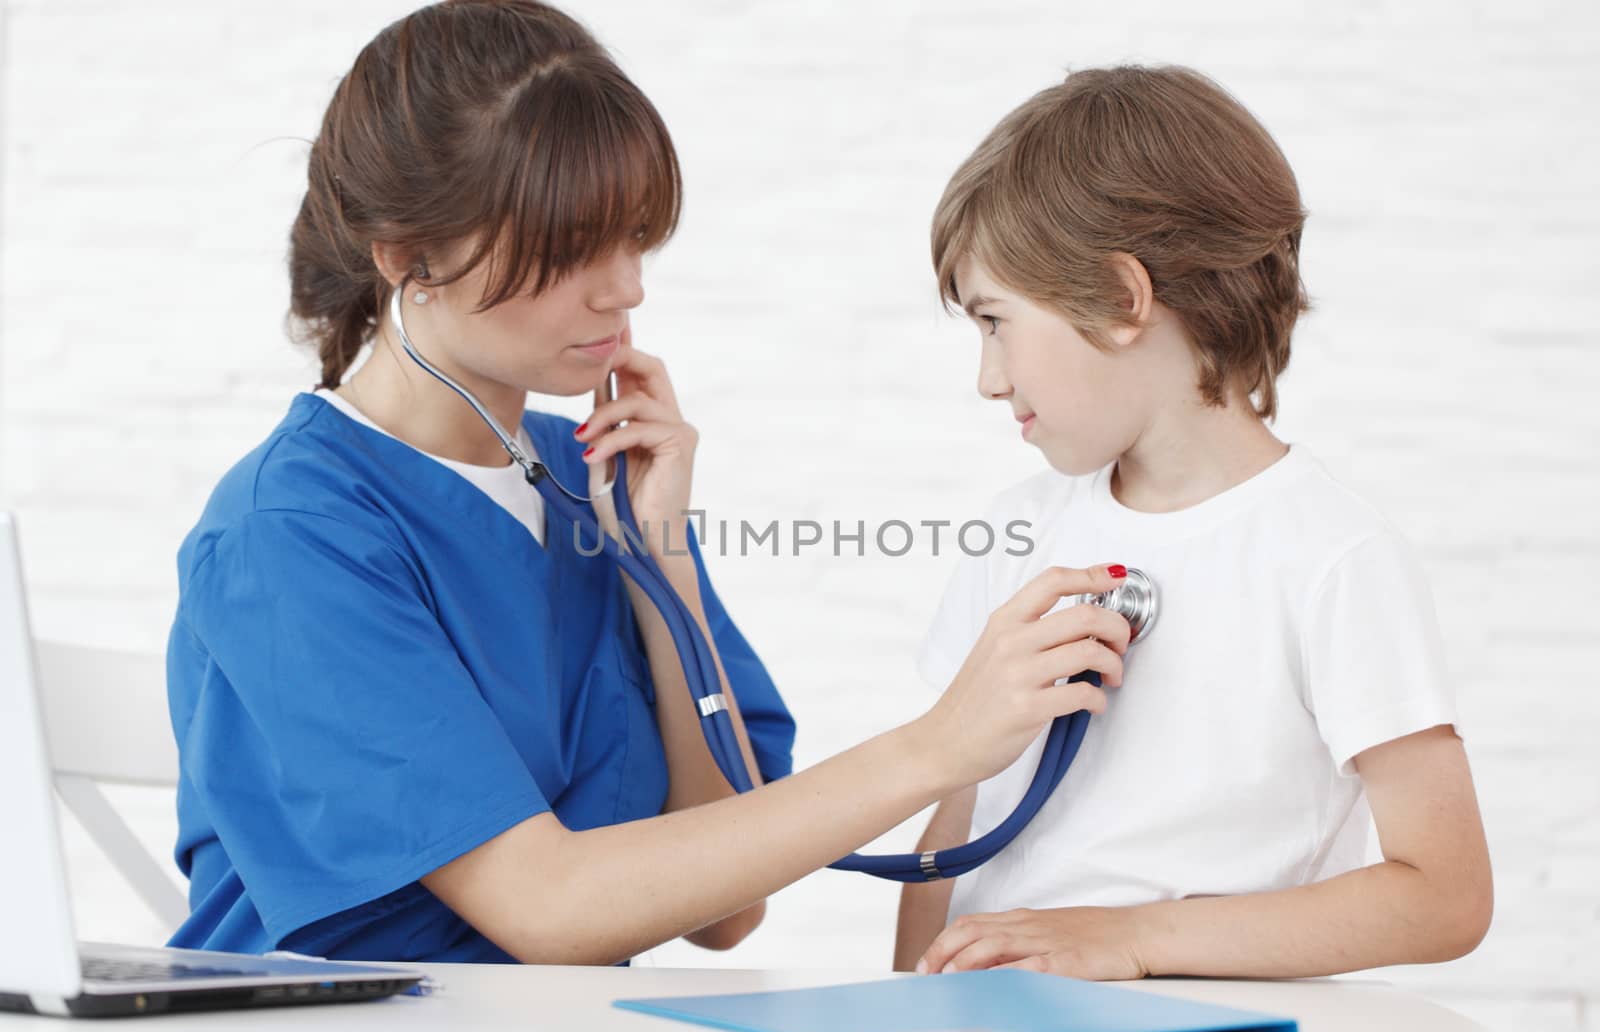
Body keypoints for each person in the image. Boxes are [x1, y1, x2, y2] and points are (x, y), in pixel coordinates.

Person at [164, 0, 1131, 966]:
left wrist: (658, 556)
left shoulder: (598, 482)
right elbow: (546, 908)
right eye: (570, 246)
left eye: (633, 236)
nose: (625, 286)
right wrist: (938, 746)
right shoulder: (288, 532)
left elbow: (727, 912)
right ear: (407, 258)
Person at [895, 65, 1493, 979]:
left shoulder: (1332, 558)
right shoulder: (1017, 533)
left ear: (1123, 298)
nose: (988, 378)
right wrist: (910, 1010)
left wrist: (1130, 939)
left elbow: (1443, 892)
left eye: (996, 322)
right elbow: (956, 809)